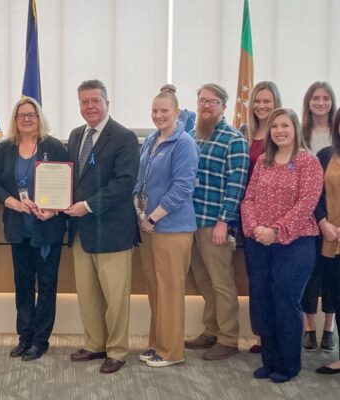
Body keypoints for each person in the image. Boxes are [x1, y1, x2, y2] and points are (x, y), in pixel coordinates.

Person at [241, 108, 323, 383]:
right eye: (275, 126)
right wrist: (255, 229)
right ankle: (269, 360)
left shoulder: (308, 162)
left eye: (285, 125)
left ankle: (288, 365)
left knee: (285, 300)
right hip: (258, 242)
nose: (279, 131)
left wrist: (276, 231)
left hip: (295, 243)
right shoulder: (264, 160)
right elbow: (248, 199)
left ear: (295, 128)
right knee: (262, 300)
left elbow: (306, 205)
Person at [65, 79, 139, 374]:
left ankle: (118, 350)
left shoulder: (124, 137)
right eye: (84, 102)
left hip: (112, 229)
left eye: (96, 101)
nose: (90, 107)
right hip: (81, 232)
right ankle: (95, 343)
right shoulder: (74, 135)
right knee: (88, 293)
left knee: (115, 297)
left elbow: (124, 182)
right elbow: (70, 179)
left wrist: (88, 205)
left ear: (107, 103)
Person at [0, 97, 68, 361]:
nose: (26, 119)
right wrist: (12, 202)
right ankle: (24, 337)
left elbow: (68, 183)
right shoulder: (5, 150)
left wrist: (54, 209)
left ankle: (40, 340)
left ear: (39, 117)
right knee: (22, 284)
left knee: (46, 285)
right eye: (21, 115)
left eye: (31, 114)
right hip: (18, 227)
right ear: (15, 120)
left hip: (47, 228)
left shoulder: (54, 147)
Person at [134, 88, 199, 367]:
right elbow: (141, 179)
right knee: (155, 289)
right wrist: (139, 210)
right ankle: (157, 344)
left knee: (170, 291)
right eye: (155, 110)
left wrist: (153, 217)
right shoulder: (152, 139)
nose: (159, 115)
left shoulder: (184, 143)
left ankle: (172, 351)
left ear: (177, 111)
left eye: (165, 111)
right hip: (148, 226)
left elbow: (182, 187)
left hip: (172, 227)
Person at [185, 83, 249, 360]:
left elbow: (236, 185)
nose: (206, 106)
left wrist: (225, 221)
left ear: (224, 106)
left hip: (215, 224)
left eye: (212, 101)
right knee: (203, 280)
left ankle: (228, 338)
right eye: (202, 101)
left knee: (222, 283)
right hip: (190, 221)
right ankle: (211, 330)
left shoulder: (234, 140)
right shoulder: (191, 136)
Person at [239, 81, 283, 354]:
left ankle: (281, 334)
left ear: (276, 103)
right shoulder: (245, 134)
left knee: (280, 281)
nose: (262, 106)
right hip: (250, 218)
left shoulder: (282, 133)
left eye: (267, 101)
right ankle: (262, 335)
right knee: (257, 281)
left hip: (279, 223)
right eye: (257, 100)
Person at [300, 81, 337, 352]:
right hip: (306, 213)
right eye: (316, 98)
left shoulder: (334, 141)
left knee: (332, 275)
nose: (321, 102)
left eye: (326, 98)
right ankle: (309, 328)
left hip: (332, 216)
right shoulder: (300, 132)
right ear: (308, 102)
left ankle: (329, 329)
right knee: (309, 273)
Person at [315, 108, 340, 374]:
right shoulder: (325, 156)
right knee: (336, 296)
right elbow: (316, 196)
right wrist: (323, 223)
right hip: (331, 240)